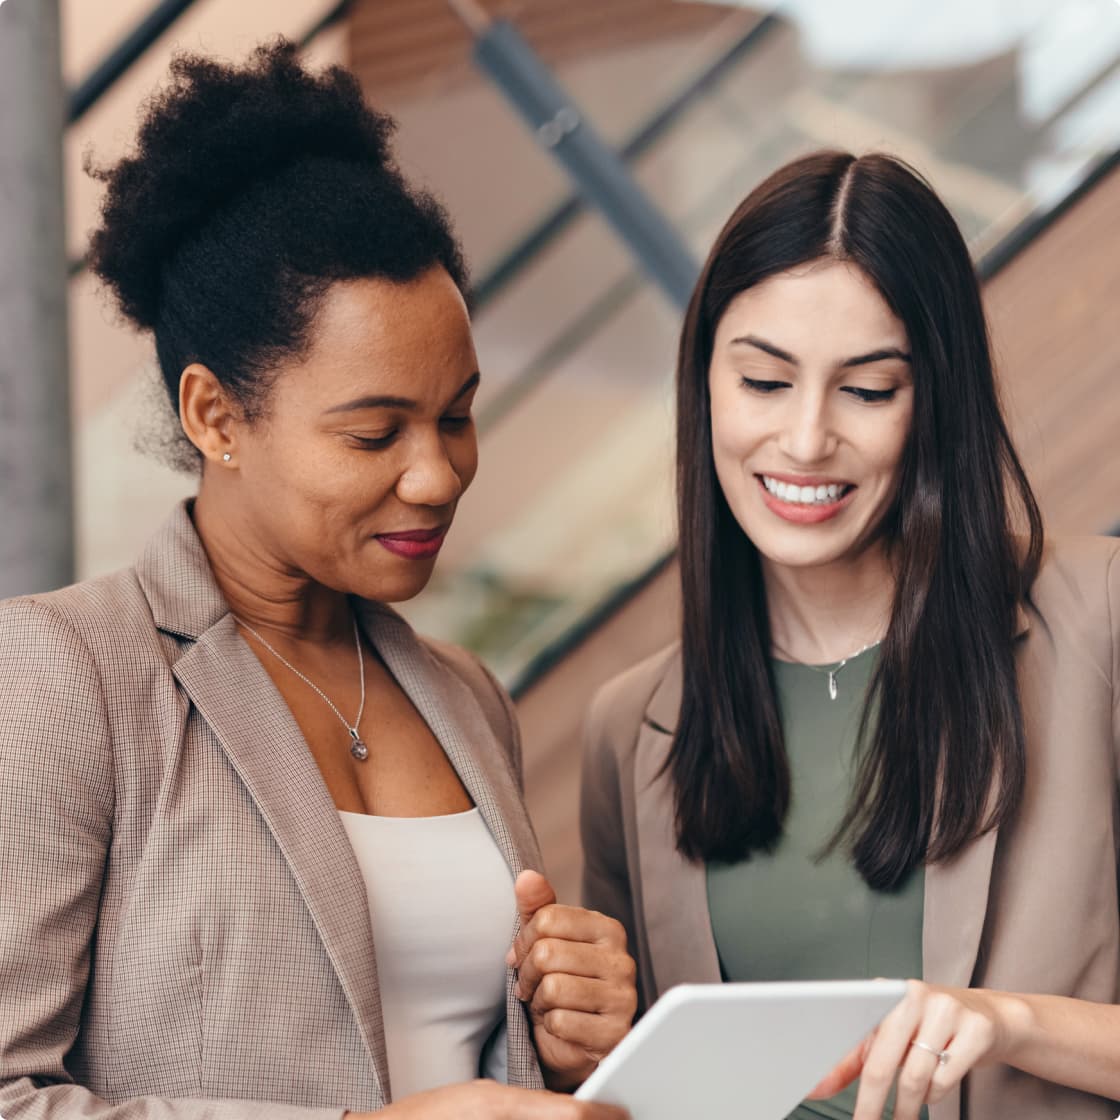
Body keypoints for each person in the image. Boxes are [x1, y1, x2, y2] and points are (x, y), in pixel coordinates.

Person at [0, 41, 635, 1120]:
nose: (436, 474)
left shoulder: (467, 698)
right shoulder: (66, 675)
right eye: (374, 432)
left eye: (455, 415)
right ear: (215, 417)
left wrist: (579, 1042)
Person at [580, 149, 1120, 1120]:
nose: (802, 440)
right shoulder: (630, 730)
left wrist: (1012, 1022)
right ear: (704, 382)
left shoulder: (1099, 623)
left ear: (933, 403)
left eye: (866, 390)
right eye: (763, 381)